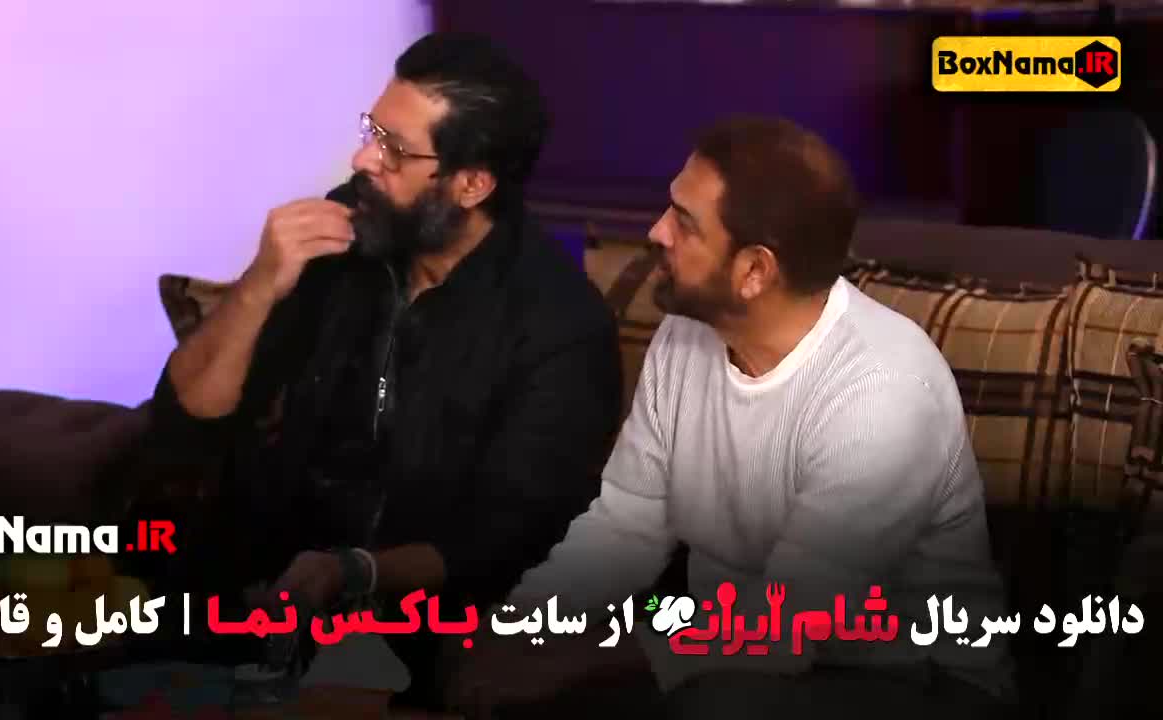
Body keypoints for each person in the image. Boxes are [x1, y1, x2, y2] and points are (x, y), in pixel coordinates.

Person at [446, 115, 1015, 718]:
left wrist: (579, 662)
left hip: (914, 679)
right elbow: (628, 522)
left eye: (684, 222)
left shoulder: (883, 392)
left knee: (709, 706)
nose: (656, 231)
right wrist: (524, 628)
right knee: (473, 655)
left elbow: (787, 628)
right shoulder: (687, 333)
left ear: (754, 272)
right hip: (731, 652)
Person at [147, 32, 622, 707]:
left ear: (471, 184)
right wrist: (259, 284)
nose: (362, 159)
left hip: (415, 624)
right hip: (260, 589)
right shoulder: (347, 230)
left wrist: (354, 573)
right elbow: (186, 421)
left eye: (394, 150)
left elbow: (510, 535)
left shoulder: (558, 323)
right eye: (372, 131)